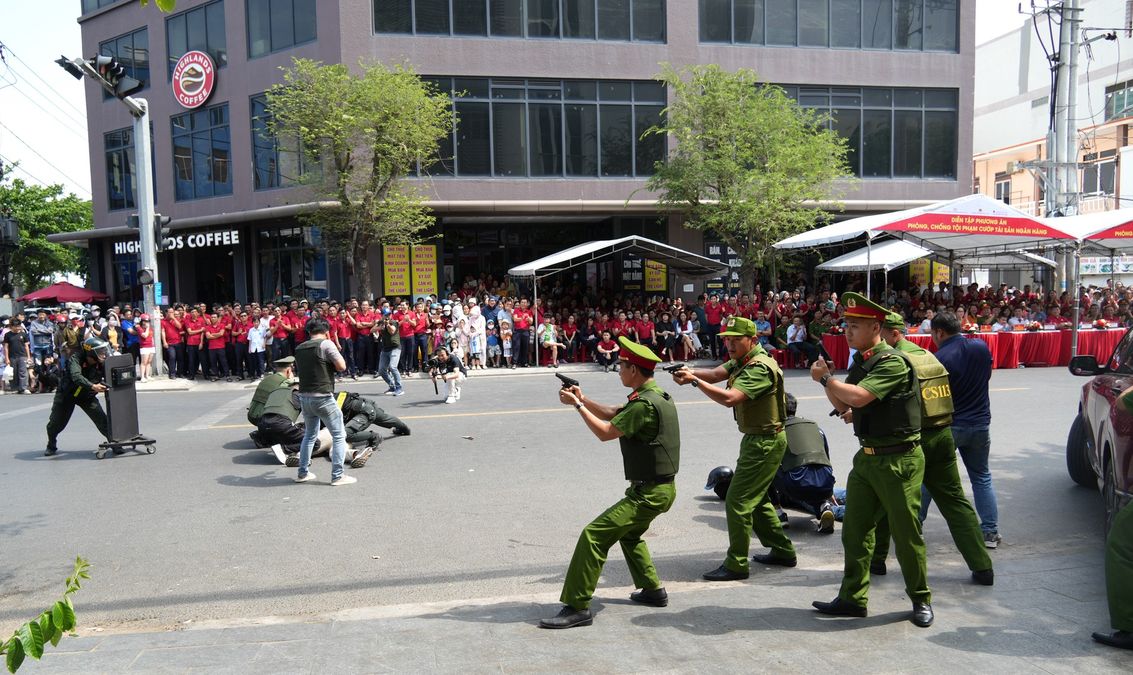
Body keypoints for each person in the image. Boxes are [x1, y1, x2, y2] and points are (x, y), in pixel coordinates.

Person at [808, 292, 933, 628]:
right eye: (846, 324)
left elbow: (861, 396)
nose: (847, 330)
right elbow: (847, 405)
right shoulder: (862, 361)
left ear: (876, 327)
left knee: (906, 535)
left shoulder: (891, 361)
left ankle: (920, 599)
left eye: (855, 325)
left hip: (899, 460)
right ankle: (852, 598)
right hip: (868, 457)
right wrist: (828, 381)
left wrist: (825, 378)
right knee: (855, 531)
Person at [540, 337, 680, 629]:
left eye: (622, 366)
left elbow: (606, 432)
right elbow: (617, 414)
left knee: (593, 535)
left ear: (634, 370)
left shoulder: (643, 404)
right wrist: (584, 397)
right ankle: (652, 590)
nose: (618, 371)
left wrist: (577, 405)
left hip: (649, 493)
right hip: (658, 488)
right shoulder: (654, 396)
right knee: (628, 535)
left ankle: (577, 606)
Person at [871, 313, 994, 585]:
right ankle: (983, 566)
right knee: (956, 500)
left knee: (885, 498)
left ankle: (877, 560)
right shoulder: (927, 355)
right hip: (947, 432)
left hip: (915, 439)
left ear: (890, 334)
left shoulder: (894, 360)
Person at [672, 316, 797, 580]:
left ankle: (736, 564)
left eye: (735, 339)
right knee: (757, 500)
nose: (729, 344)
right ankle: (782, 550)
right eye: (726, 339)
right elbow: (718, 374)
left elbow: (730, 398)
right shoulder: (744, 359)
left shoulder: (760, 367)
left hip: (765, 441)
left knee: (737, 501)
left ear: (753, 340)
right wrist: (691, 371)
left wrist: (694, 381)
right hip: (757, 439)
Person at [930, 310, 1002, 548]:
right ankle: (990, 531)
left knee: (930, 478)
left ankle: (914, 525)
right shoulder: (980, 347)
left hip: (952, 425)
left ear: (940, 332)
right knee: (982, 477)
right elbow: (987, 377)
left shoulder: (940, 357)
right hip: (981, 423)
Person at [293, 317, 353, 486]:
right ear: (326, 332)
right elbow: (341, 366)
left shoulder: (299, 347)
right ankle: (337, 476)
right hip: (323, 397)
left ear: (308, 332)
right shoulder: (326, 344)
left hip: (305, 397)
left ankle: (303, 472)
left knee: (309, 435)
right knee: (339, 435)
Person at [771, 393, 836, 534]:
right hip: (825, 484)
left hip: (797, 485)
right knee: (811, 478)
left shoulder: (778, 431)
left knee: (765, 466)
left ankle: (778, 513)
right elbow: (826, 459)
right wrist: (829, 491)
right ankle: (824, 506)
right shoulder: (816, 428)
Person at [45, 337, 113, 456]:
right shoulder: (75, 359)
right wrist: (93, 386)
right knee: (55, 423)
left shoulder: (102, 362)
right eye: (101, 351)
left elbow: (113, 373)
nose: (104, 353)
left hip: (86, 395)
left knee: (102, 420)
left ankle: (113, 443)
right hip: (67, 395)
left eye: (104, 350)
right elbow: (76, 376)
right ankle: (51, 444)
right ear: (91, 352)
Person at [3, 318, 32, 394]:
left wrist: (28, 357)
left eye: (18, 326)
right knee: (14, 372)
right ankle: (14, 388)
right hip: (12, 356)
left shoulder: (23, 334)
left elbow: (26, 346)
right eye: (15, 326)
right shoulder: (7, 335)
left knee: (23, 372)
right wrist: (6, 358)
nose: (17, 328)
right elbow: (6, 347)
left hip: (22, 356)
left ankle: (24, 388)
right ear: (11, 326)